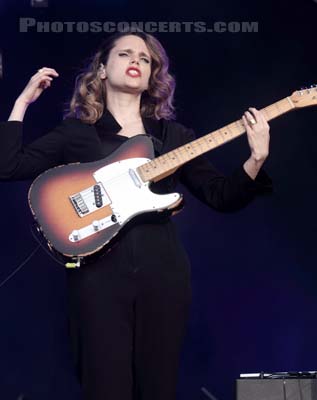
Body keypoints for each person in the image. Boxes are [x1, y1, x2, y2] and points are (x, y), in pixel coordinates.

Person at [0, 32, 272, 400]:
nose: (136, 61)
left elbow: (221, 196)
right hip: (97, 278)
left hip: (164, 273)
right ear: (101, 69)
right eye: (125, 54)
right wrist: (21, 103)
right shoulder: (76, 134)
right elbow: (8, 165)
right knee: (104, 387)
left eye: (145, 59)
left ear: (152, 75)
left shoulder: (173, 136)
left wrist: (255, 159)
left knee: (158, 388)